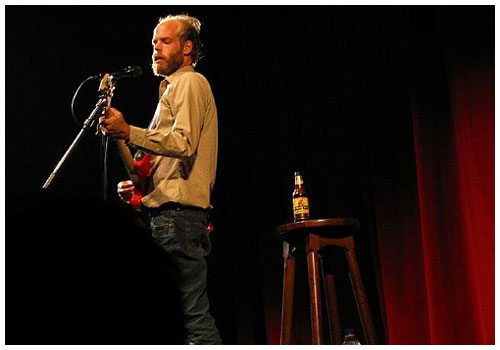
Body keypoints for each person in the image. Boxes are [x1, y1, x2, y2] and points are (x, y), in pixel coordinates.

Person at [99, 14, 221, 345]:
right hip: (166, 217)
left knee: (191, 315)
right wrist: (119, 135)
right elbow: (143, 169)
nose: (156, 48)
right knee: (176, 318)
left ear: (187, 47)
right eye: (154, 42)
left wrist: (129, 130)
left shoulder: (190, 84)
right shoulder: (169, 92)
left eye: (165, 41)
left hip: (178, 217)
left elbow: (183, 143)